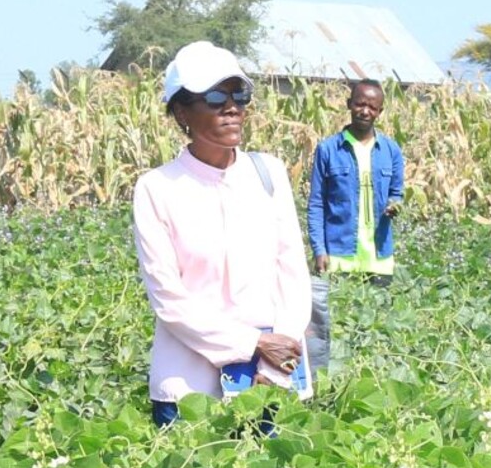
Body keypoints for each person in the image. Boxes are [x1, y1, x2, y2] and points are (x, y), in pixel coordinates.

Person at [131, 41, 310, 427]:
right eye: (214, 97)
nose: (231, 108)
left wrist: (276, 362)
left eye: (239, 95)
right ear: (181, 112)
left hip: (269, 381)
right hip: (188, 390)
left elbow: (292, 274)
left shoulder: (269, 173)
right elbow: (168, 300)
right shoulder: (156, 188)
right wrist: (252, 345)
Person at [308, 80, 404, 281]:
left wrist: (395, 206)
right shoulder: (328, 150)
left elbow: (397, 193)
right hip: (338, 258)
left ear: (380, 111)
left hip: (380, 260)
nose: (365, 111)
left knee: (378, 312)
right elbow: (316, 204)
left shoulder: (391, 150)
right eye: (360, 104)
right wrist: (319, 250)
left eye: (372, 107)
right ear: (349, 103)